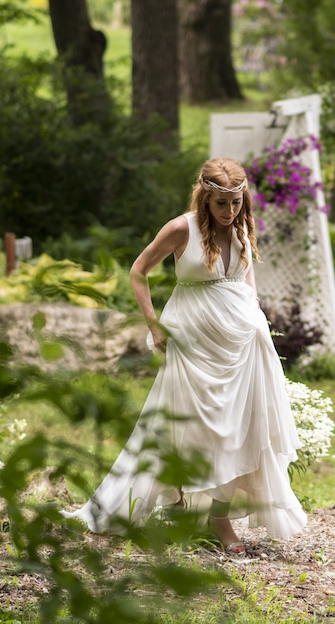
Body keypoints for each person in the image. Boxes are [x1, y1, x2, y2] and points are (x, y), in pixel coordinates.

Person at [62, 157, 308, 553]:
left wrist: (254, 310)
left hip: (244, 343)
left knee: (242, 426)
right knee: (189, 423)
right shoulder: (182, 229)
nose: (230, 213)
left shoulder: (243, 223)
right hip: (195, 342)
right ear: (205, 198)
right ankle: (177, 499)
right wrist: (153, 323)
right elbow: (139, 271)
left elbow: (245, 274)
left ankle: (219, 517)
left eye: (236, 203)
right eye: (221, 205)